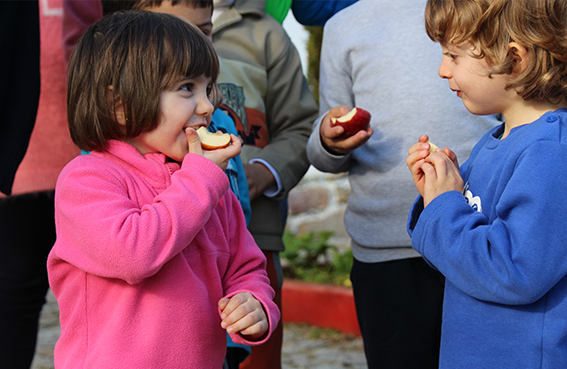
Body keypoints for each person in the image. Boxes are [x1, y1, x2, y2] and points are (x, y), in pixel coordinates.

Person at [47, 11, 279, 368]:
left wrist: (253, 303)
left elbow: (246, 267)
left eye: (208, 87)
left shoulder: (210, 187)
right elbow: (132, 254)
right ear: (119, 104)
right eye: (187, 88)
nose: (207, 106)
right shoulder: (87, 180)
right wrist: (201, 179)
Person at [306, 0, 500, 367]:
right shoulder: (342, 26)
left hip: (477, 237)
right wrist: (329, 140)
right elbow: (322, 148)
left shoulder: (482, 8)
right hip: (385, 249)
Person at [405, 0, 567, 368]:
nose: (443, 70)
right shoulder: (498, 139)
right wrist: (439, 192)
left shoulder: (551, 153)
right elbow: (465, 261)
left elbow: (516, 271)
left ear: (514, 59)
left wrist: (446, 205)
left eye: (454, 56)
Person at [212, 1, 319, 368]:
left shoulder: (269, 36)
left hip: (254, 233)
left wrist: (260, 172)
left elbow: (301, 126)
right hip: (169, 236)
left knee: (257, 353)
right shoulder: (142, 25)